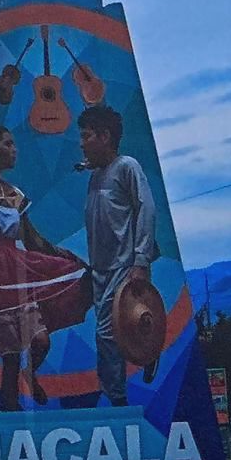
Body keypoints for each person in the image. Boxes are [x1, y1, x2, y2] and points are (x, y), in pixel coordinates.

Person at [0, 124, 86, 410]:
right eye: (8, 144)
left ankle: (31, 373)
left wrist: (60, 253)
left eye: (13, 144)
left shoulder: (15, 193)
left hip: (16, 267)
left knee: (40, 341)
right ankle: (10, 410)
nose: (14, 150)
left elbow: (32, 238)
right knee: (10, 352)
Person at [77, 103, 159, 407]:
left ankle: (117, 399)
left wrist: (141, 259)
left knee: (107, 333)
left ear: (105, 136)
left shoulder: (127, 167)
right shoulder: (96, 175)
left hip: (124, 265)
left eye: (87, 136)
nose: (82, 143)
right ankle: (148, 349)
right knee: (120, 329)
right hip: (100, 268)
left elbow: (146, 208)